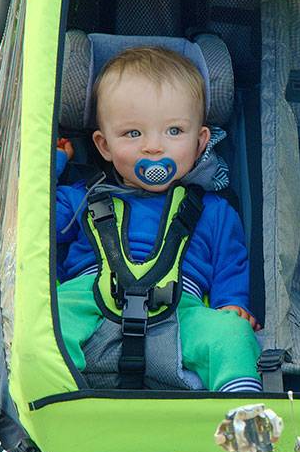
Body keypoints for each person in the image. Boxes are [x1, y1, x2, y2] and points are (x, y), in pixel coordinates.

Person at [55, 45, 263, 393]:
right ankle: (55, 393)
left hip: (182, 309)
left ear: (200, 142)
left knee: (232, 333)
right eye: (133, 134)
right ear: (104, 146)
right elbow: (37, 222)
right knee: (47, 319)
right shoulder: (81, 198)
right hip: (89, 298)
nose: (154, 147)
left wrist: (232, 303)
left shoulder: (214, 210)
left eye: (174, 131)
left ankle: (241, 409)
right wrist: (56, 164)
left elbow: (230, 263)